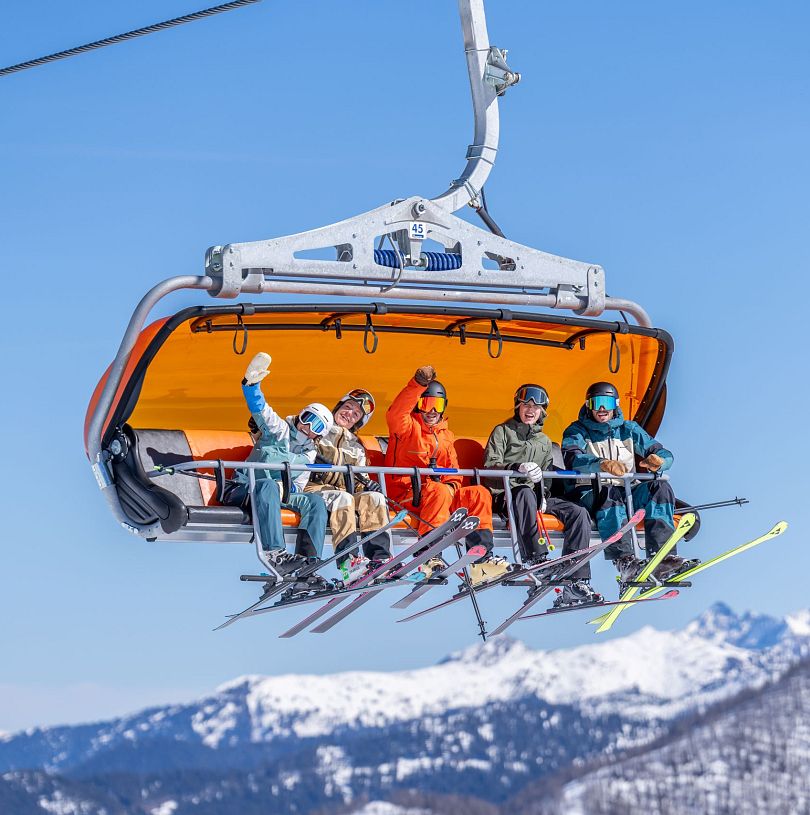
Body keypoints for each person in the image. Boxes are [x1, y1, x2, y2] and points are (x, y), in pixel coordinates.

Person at [561, 381, 695, 589]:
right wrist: (600, 464)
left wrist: (659, 461)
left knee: (659, 487)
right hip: (593, 491)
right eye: (596, 403)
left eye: (606, 403)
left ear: (615, 404)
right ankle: (625, 561)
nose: (602, 409)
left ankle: (663, 556)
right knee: (610, 493)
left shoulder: (628, 429)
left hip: (627, 489)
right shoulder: (577, 431)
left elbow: (660, 451)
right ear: (589, 405)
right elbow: (572, 458)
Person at [483, 384, 602, 606]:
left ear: (543, 412)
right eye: (526, 405)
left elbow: (546, 476)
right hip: (506, 494)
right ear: (517, 407)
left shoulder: (544, 442)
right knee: (525, 491)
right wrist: (515, 467)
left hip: (535, 495)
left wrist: (544, 496)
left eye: (536, 407)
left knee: (578, 513)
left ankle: (576, 576)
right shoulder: (503, 431)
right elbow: (489, 468)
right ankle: (536, 558)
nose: (530, 410)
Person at [385, 365, 498, 584]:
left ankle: (481, 558)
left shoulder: (446, 437)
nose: (432, 411)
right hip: (406, 496)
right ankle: (429, 554)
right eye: (427, 403)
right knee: (437, 490)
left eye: (438, 405)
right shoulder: (407, 428)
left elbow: (453, 475)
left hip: (438, 497)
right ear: (419, 404)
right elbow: (397, 412)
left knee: (478, 493)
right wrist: (418, 384)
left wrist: (451, 488)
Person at [221, 352, 330, 576]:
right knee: (269, 486)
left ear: (319, 435)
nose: (308, 427)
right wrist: (251, 385)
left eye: (316, 426)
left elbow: (298, 487)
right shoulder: (278, 430)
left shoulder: (309, 455)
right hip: (243, 489)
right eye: (308, 418)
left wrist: (287, 490)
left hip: (276, 496)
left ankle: (308, 563)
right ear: (300, 416)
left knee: (315, 502)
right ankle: (275, 555)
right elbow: (261, 410)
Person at [304, 388, 392, 583]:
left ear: (358, 422)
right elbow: (291, 430)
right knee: (342, 497)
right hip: (313, 488)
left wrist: (368, 487)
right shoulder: (319, 428)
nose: (349, 414)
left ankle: (379, 558)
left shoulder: (357, 447)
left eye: (355, 413)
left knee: (374, 498)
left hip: (342, 493)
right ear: (338, 408)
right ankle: (348, 562)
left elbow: (360, 482)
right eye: (347, 407)